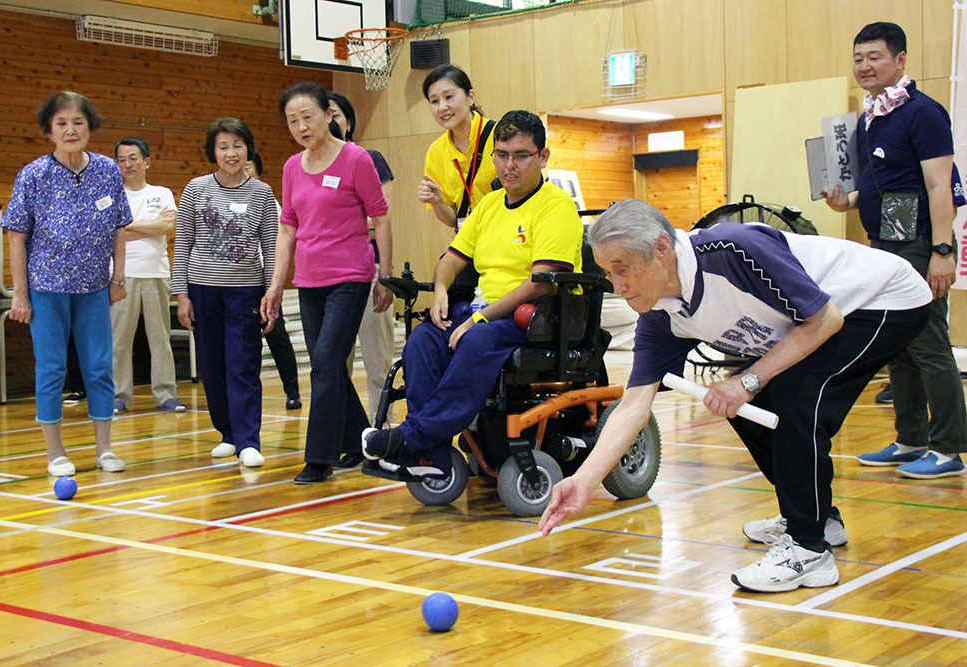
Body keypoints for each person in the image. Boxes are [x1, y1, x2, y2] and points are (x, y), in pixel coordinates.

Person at [538, 199, 933, 593]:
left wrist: (746, 381)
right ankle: (818, 517)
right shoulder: (660, 317)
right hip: (825, 320)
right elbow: (633, 406)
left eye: (622, 270)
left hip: (882, 300)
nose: (617, 287)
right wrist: (585, 481)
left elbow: (826, 319)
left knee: (795, 399)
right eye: (608, 272)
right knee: (752, 407)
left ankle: (809, 549)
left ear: (661, 249)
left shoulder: (733, 251)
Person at [361, 110, 583, 479]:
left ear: (543, 157)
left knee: (475, 339)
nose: (509, 166)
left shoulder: (556, 207)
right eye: (501, 155)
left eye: (521, 155)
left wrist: (481, 317)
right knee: (424, 339)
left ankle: (410, 437)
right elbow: (450, 259)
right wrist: (443, 289)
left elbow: (541, 282)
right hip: (483, 309)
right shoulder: (489, 206)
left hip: (537, 315)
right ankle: (428, 455)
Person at [825, 22, 966, 479]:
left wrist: (944, 250)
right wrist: (846, 201)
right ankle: (911, 439)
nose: (864, 66)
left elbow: (937, 184)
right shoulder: (872, 116)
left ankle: (948, 449)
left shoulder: (923, 112)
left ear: (900, 60)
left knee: (928, 344)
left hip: (920, 245)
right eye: (858, 58)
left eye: (875, 57)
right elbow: (883, 185)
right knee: (899, 344)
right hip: (884, 246)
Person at [260, 82, 393, 485]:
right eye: (292, 120)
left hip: (351, 277)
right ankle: (361, 441)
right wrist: (275, 284)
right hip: (310, 280)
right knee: (327, 363)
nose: (301, 126)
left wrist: (383, 275)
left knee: (325, 364)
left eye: (308, 117)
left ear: (328, 115)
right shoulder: (290, 168)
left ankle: (319, 457)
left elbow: (381, 218)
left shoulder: (356, 160)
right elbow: (287, 229)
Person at [1, 91, 131, 476]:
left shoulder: (108, 170)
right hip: (46, 288)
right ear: (50, 131)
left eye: (78, 122)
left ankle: (104, 449)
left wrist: (118, 277)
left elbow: (119, 228)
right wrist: (20, 293)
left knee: (98, 366)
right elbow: (15, 236)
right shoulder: (33, 174)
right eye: (62, 123)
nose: (71, 130)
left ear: (90, 127)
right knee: (52, 367)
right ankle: (55, 452)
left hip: (93, 287)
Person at [173, 118, 278, 468]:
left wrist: (270, 292)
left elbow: (271, 247)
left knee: (242, 363)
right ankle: (228, 434)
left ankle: (248, 439)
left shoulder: (262, 193)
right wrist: (181, 294)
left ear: (248, 148)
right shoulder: (195, 189)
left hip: (246, 291)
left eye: (237, 144)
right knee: (213, 365)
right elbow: (183, 242)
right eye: (222, 146)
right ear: (212, 152)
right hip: (202, 290)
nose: (231, 152)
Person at [327, 91, 397, 430]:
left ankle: (381, 427)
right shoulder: (307, 165)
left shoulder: (368, 158)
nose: (329, 121)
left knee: (377, 358)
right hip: (329, 274)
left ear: (349, 121)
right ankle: (345, 432)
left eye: (335, 114)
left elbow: (381, 215)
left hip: (368, 267)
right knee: (334, 361)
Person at [111, 137, 186, 415]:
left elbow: (168, 226)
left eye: (133, 158)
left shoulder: (162, 192)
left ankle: (166, 394)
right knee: (119, 340)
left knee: (160, 338)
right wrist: (149, 226)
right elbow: (110, 231)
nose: (128, 164)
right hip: (121, 275)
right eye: (122, 159)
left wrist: (126, 227)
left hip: (156, 272)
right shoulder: (112, 195)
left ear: (147, 161)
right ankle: (118, 395)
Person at [242, 153, 302, 411]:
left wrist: (273, 282)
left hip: (264, 281)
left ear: (257, 171)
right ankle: (246, 394)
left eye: (248, 167)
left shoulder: (268, 201)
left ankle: (293, 391)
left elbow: (281, 244)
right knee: (244, 343)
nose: (243, 171)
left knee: (277, 336)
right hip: (237, 283)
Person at [418, 64, 499, 232]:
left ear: (470, 97)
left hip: (508, 238)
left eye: (449, 97)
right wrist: (437, 201)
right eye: (434, 101)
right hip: (469, 244)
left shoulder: (501, 136)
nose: (442, 107)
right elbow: (453, 219)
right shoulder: (436, 152)